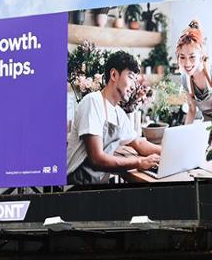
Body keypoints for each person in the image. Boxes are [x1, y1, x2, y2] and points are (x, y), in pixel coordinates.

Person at [66, 51, 161, 185]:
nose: (134, 86)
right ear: (114, 75)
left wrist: (168, 151)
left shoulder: (118, 113)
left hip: (98, 186)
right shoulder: (93, 102)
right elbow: (97, 159)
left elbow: (138, 144)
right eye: (131, 77)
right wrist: (139, 162)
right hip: (76, 187)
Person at [178, 20, 212, 126]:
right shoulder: (185, 78)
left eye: (192, 57)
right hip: (207, 126)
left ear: (201, 55)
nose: (187, 63)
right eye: (182, 57)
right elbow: (191, 110)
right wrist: (184, 134)